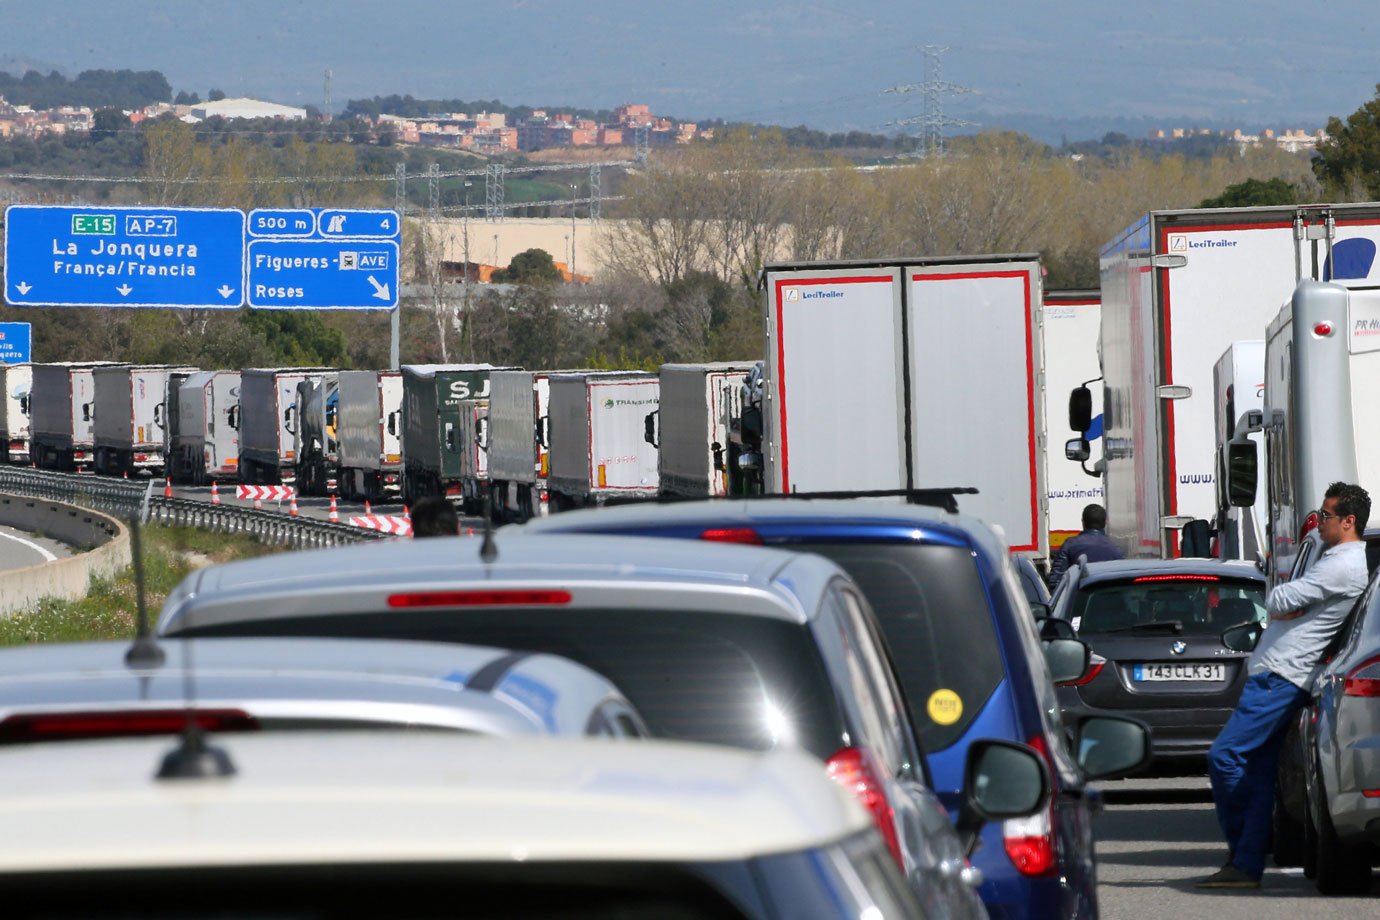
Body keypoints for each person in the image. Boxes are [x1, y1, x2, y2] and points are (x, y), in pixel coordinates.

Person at [1197, 481, 1371, 890]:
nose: (1321, 522)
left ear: (1348, 522)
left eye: (1327, 516)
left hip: (1282, 675)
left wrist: (1289, 603)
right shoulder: (1334, 558)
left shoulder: (1343, 563)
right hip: (1280, 673)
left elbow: (1277, 600)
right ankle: (1244, 863)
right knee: (1255, 771)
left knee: (1225, 756)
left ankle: (1241, 850)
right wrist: (1295, 604)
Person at [1047, 503, 1123, 590]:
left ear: (1083, 522)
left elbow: (1056, 581)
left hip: (1077, 601)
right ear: (1105, 522)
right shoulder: (1115, 549)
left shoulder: (1070, 545)